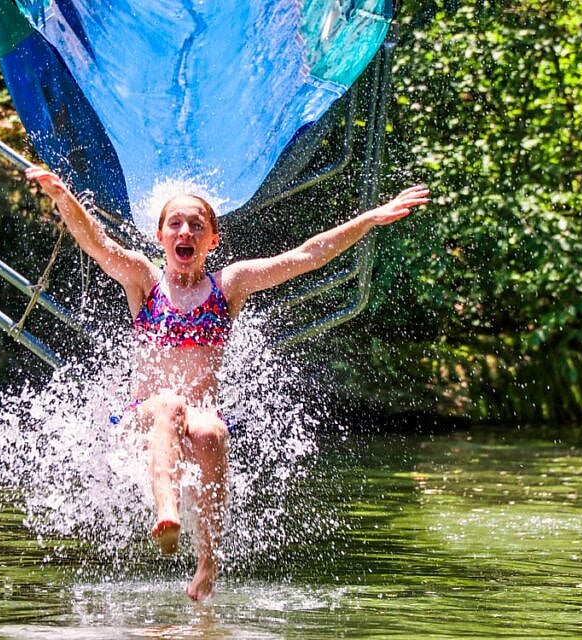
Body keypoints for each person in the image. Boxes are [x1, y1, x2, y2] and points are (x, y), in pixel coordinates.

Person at [26, 167, 429, 600]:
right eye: (175, 224)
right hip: (143, 416)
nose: (186, 231)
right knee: (168, 404)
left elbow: (307, 256)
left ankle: (207, 566)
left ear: (211, 241)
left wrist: (370, 218)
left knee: (211, 429)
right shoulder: (143, 280)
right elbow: (96, 243)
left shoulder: (229, 286)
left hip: (200, 417)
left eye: (197, 226)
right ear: (161, 236)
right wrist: (63, 195)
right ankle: (168, 513)